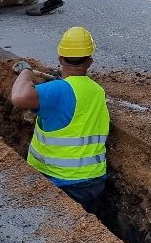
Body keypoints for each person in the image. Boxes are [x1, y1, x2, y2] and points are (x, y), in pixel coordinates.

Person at [10, 27, 110, 212]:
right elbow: (73, 98)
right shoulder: (97, 91)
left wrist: (26, 72)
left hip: (63, 182)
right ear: (90, 61)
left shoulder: (58, 91)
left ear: (60, 59)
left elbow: (19, 97)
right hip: (94, 182)